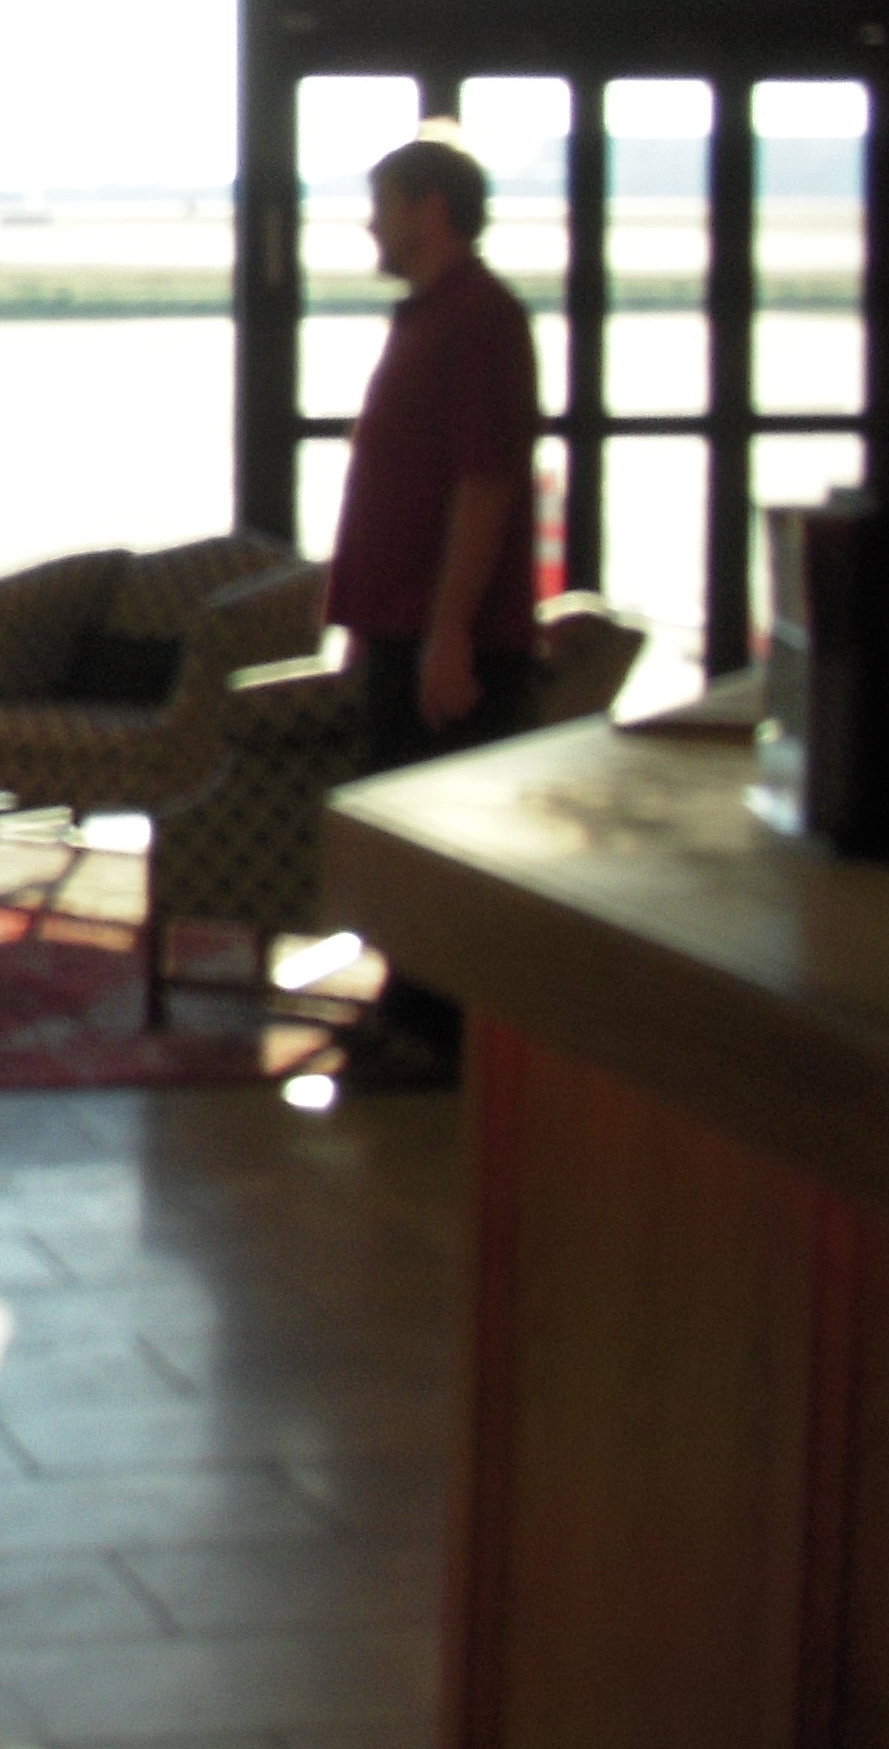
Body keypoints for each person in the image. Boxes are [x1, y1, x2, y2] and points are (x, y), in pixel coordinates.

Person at [326, 133, 539, 1075]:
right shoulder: (428, 319)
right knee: (404, 834)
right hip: (402, 629)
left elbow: (485, 483)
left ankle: (438, 1044)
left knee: (442, 841)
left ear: (430, 210)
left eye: (384, 205)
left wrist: (449, 635)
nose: (372, 224)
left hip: (449, 639)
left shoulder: (481, 320)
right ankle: (407, 1012)